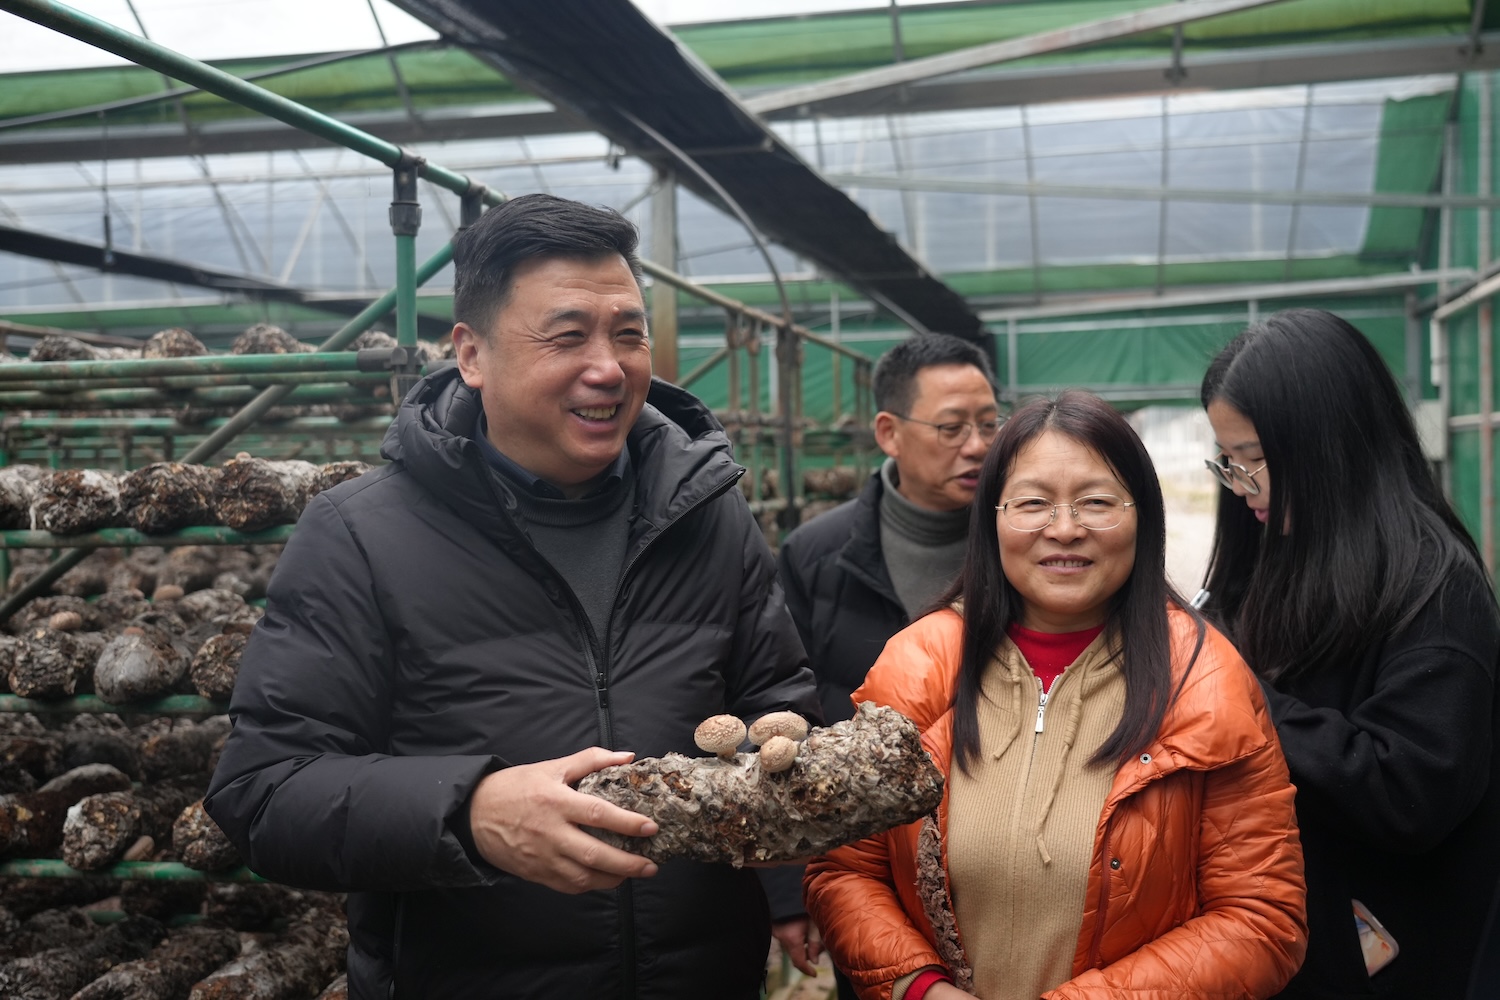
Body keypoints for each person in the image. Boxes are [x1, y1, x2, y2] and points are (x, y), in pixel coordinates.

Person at [204, 193, 819, 1000]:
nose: (610, 366)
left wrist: (786, 854)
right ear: (471, 353)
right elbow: (265, 792)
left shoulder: (708, 513)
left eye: (629, 333)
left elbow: (776, 703)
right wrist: (469, 813)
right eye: (568, 336)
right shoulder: (362, 535)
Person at [805, 391, 1307, 1000]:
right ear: (992, 516)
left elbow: (1261, 919)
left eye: (1096, 502)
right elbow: (845, 869)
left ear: (1143, 514)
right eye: (1034, 503)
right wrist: (919, 987)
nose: (1065, 530)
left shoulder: (1204, 679)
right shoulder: (918, 665)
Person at [1198, 307, 1500, 999]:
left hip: (1390, 959)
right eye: (1228, 461)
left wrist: (1231, 688)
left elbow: (1407, 793)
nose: (1242, 485)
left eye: (1257, 459)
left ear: (1330, 443)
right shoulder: (1273, 548)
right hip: (1278, 941)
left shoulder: (1434, 588)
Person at [766, 333, 999, 986]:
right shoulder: (818, 554)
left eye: (989, 423)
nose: (978, 445)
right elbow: (783, 718)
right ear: (889, 432)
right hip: (868, 869)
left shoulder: (1022, 546)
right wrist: (791, 892)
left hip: (1005, 858)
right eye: (952, 427)